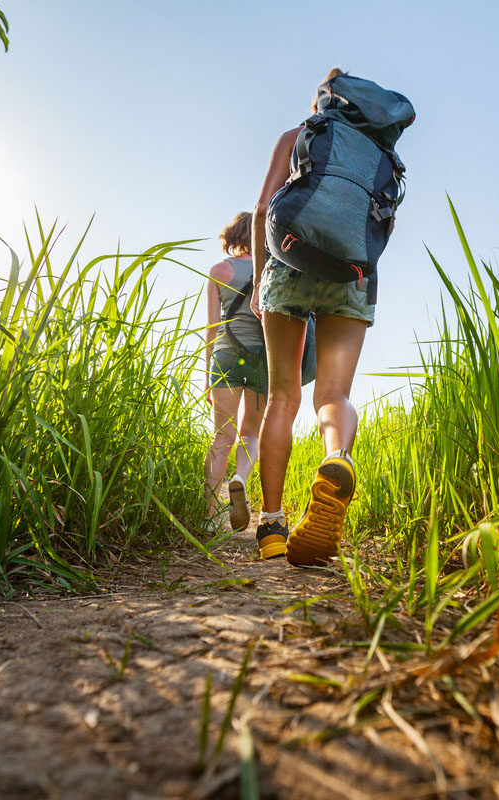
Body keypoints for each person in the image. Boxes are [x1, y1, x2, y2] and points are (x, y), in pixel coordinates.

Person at [249, 68, 380, 566]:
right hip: (354, 270)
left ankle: (272, 526)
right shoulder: (373, 150)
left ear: (321, 102)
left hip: (288, 261)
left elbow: (262, 208)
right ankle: (335, 458)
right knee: (334, 393)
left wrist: (263, 278)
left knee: (282, 396)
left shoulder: (298, 135)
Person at [203, 211, 267, 535]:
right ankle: (239, 478)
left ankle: (211, 516)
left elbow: (212, 329)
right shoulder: (269, 271)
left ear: (232, 236)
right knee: (250, 433)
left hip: (226, 359)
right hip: (260, 360)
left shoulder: (218, 271)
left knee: (222, 437)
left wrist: (205, 373)